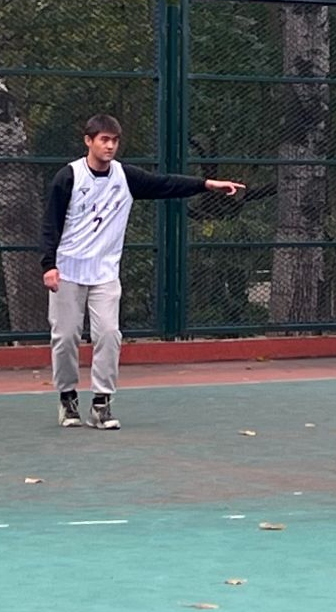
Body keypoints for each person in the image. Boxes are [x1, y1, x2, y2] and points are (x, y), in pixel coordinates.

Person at [41, 114, 244, 431]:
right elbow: (50, 223)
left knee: (109, 334)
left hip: (105, 274)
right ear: (88, 141)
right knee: (65, 338)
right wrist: (49, 265)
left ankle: (101, 404)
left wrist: (206, 184)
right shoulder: (68, 177)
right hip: (67, 271)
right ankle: (67, 399)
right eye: (104, 140)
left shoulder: (126, 177)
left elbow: (165, 184)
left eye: (114, 140)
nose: (110, 146)